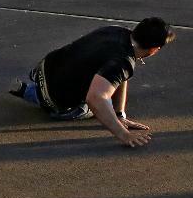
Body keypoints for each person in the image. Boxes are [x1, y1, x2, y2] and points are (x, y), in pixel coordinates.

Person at [10, 18, 172, 147]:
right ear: (154, 49)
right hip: (57, 101)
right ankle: (32, 94)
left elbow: (119, 76)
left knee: (105, 84)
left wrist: (119, 114)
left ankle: (32, 89)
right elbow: (95, 98)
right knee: (100, 103)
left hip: (46, 68)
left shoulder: (118, 31)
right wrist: (124, 134)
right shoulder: (122, 61)